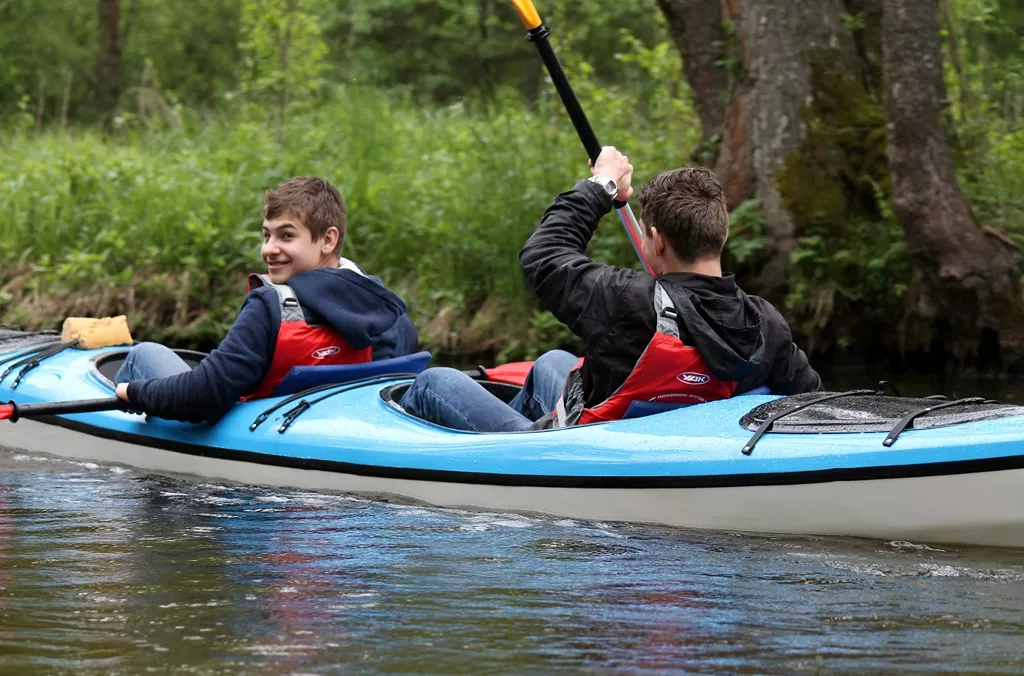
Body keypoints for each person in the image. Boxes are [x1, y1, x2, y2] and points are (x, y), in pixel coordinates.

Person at [400, 147, 821, 431]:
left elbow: (543, 255)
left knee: (434, 382)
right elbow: (812, 402)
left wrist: (602, 185)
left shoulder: (625, 300)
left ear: (656, 241)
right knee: (553, 362)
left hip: (575, 454)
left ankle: (495, 449)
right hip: (678, 444)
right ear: (721, 235)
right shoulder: (765, 322)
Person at [115, 176, 418, 423]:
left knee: (143, 355)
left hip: (270, 428)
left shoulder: (269, 307)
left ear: (328, 240)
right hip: (350, 426)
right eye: (266, 236)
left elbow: (202, 397)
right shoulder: (384, 306)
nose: (268, 250)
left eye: (286, 236)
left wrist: (136, 393)